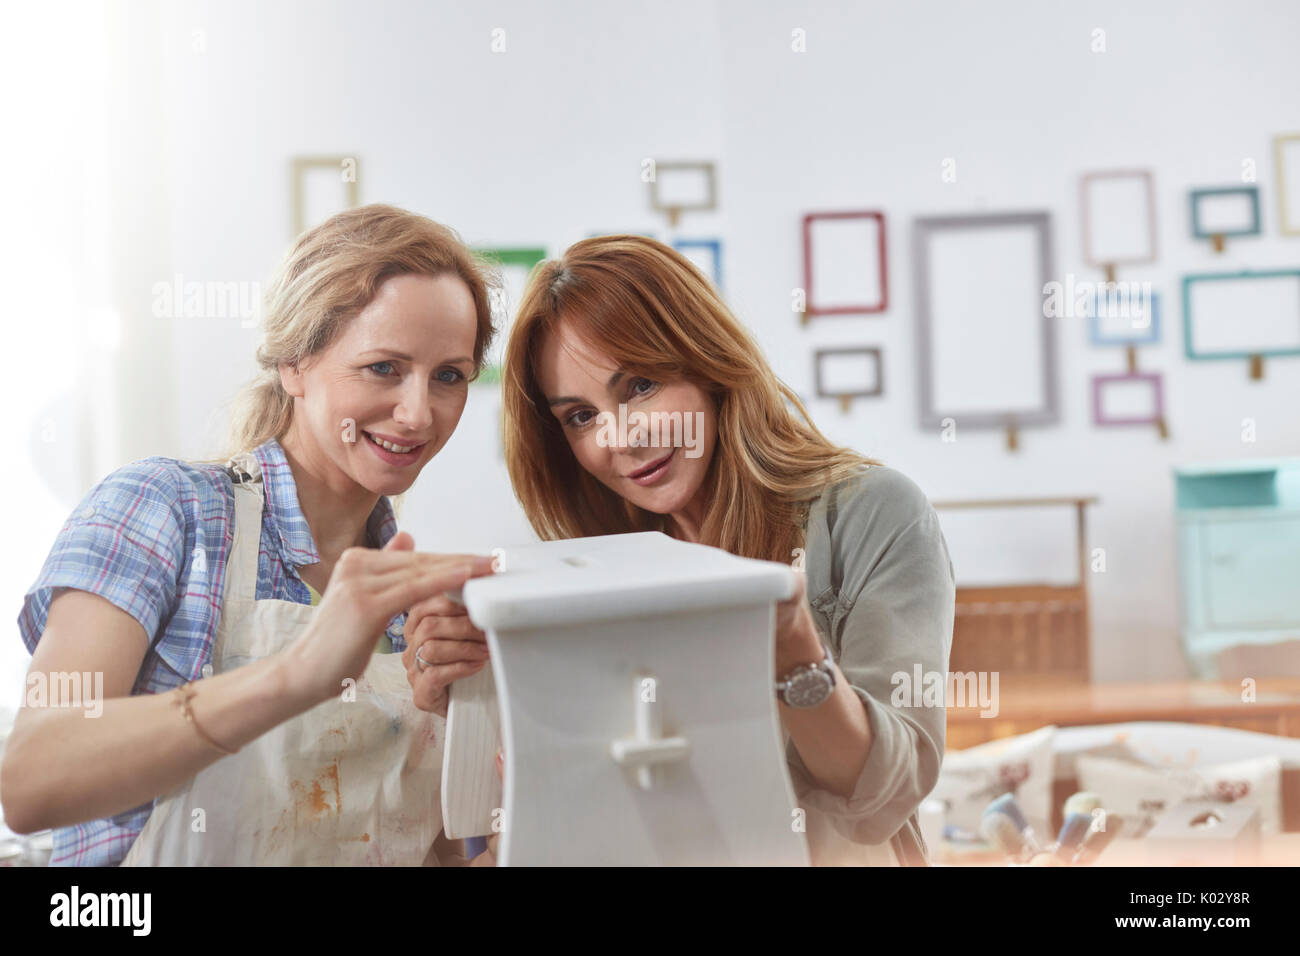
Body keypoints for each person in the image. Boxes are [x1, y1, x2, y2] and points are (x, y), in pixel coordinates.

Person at [405, 235, 956, 866]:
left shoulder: (871, 513)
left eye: (640, 386)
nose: (620, 440)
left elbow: (888, 794)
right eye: (580, 417)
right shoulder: (592, 561)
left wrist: (795, 659)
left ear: (708, 361)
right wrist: (473, 697)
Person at [2, 204, 497, 866]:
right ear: (294, 362)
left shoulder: (419, 605)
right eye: (383, 367)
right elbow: (31, 780)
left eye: (449, 377)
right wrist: (297, 674)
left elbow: (419, 851)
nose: (417, 413)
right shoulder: (165, 512)